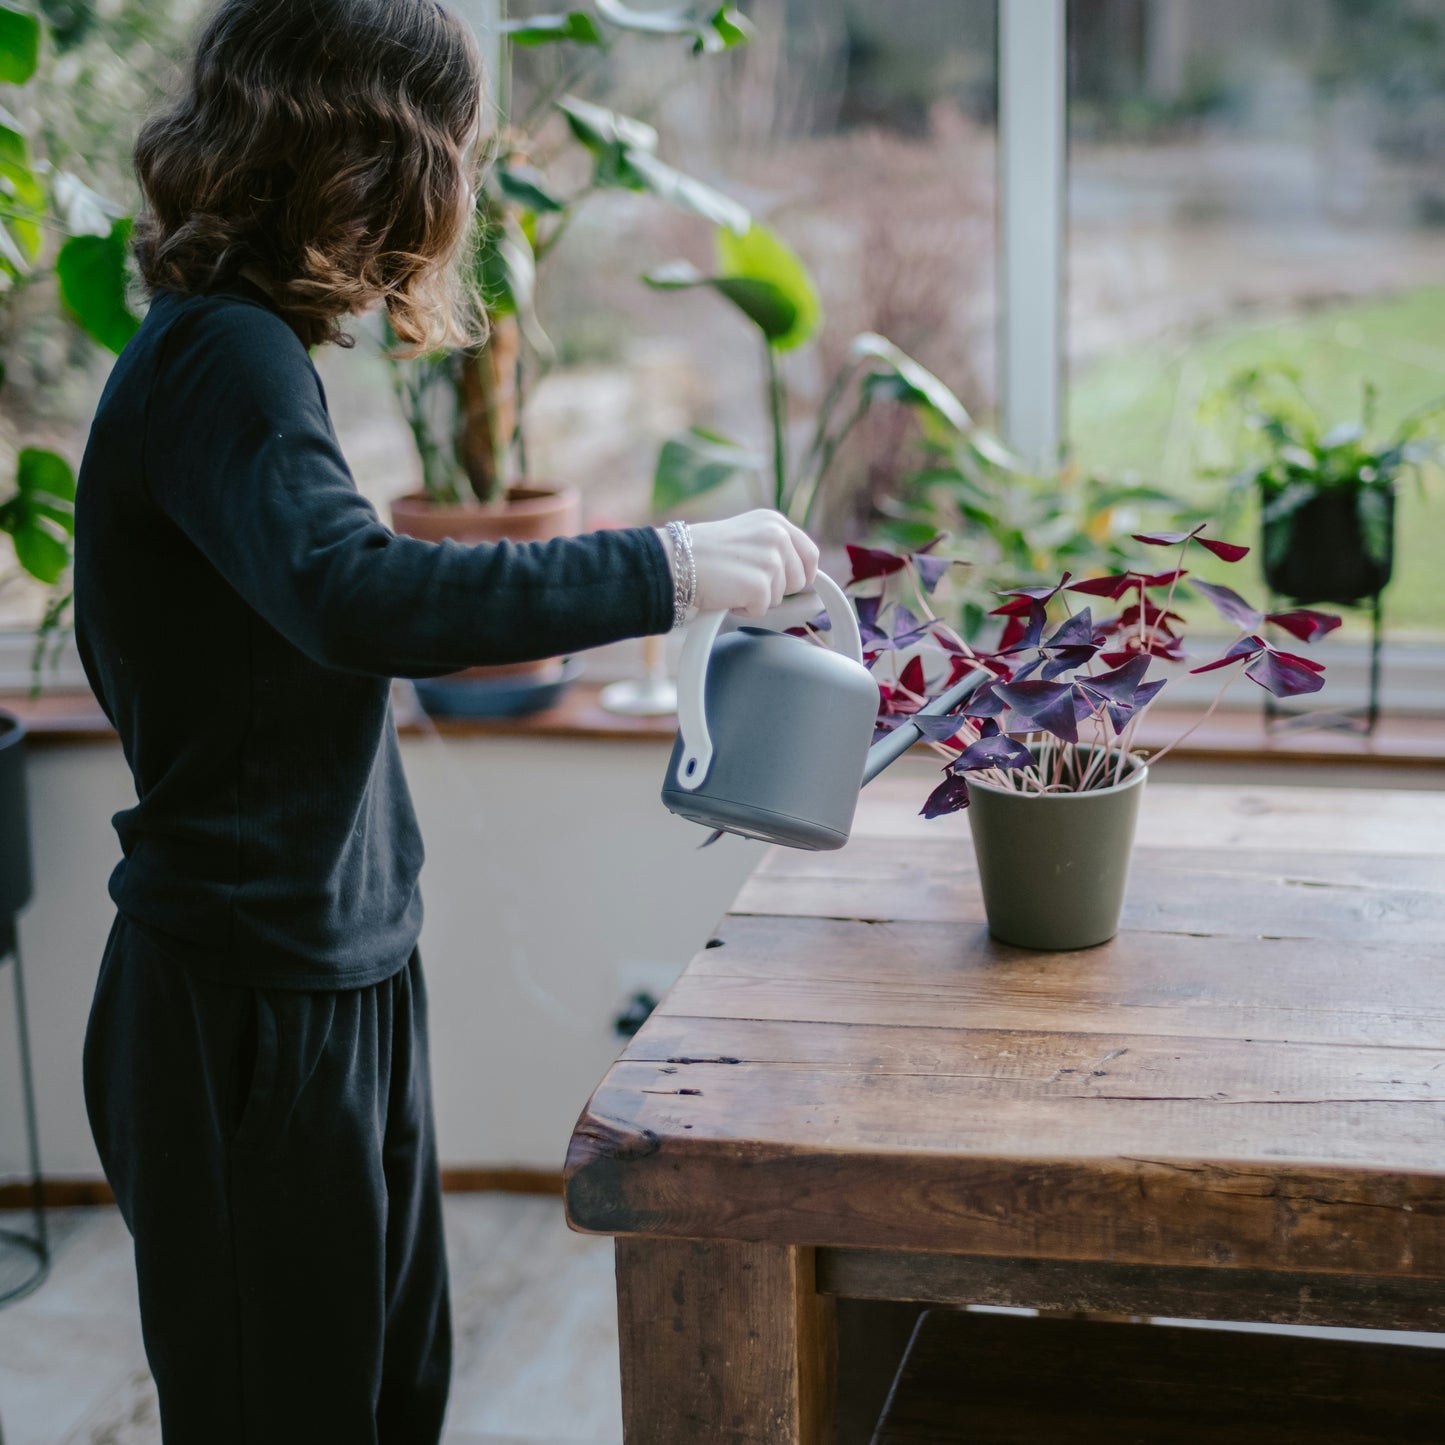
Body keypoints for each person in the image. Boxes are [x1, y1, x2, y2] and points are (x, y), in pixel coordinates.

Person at [73, 2, 818, 1440]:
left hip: (331, 975)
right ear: (372, 156)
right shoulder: (217, 361)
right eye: (452, 155)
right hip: (244, 1005)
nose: (455, 198)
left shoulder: (246, 354)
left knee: (385, 1397)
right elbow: (358, 596)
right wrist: (660, 564)